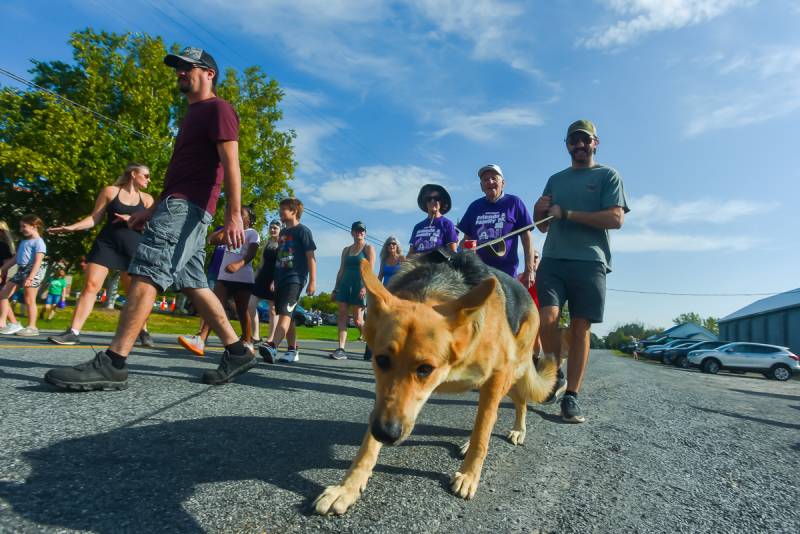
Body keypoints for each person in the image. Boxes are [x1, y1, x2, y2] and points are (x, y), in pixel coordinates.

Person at [44, 46, 255, 390]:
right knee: (195, 284)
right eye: (178, 68)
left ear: (209, 73)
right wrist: (150, 210)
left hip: (187, 209)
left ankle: (114, 362)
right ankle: (237, 350)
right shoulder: (193, 116)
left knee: (146, 270)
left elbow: (231, 164)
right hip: (178, 205)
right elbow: (179, 177)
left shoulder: (218, 109)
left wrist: (234, 215)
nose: (180, 73)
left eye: (188, 68)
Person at [533, 119, 629, 423]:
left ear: (595, 143)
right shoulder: (556, 179)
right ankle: (555, 375)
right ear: (567, 145)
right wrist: (538, 212)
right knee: (545, 321)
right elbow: (543, 226)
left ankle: (572, 396)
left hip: (590, 261)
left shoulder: (607, 175)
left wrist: (570, 214)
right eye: (573, 140)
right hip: (554, 259)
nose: (579, 145)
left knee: (579, 327)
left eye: (584, 140)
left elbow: (615, 219)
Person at [46, 163, 156, 346]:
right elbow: (94, 218)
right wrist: (71, 227)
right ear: (134, 174)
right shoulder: (110, 191)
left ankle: (142, 330)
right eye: (146, 175)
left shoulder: (147, 199)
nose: (149, 179)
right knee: (90, 286)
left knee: (133, 294)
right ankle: (72, 332)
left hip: (133, 248)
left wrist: (132, 220)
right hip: (107, 244)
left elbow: (152, 227)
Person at [177, 206, 260, 355]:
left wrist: (238, 264)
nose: (238, 216)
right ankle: (201, 340)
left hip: (243, 279)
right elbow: (211, 240)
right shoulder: (230, 231)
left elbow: (252, 253)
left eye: (242, 214)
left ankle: (248, 340)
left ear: (250, 220)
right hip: (224, 277)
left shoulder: (252, 233)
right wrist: (228, 226)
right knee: (214, 306)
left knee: (242, 311)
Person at [457, 164, 536, 287]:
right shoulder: (474, 207)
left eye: (494, 178)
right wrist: (465, 249)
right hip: (478, 275)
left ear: (503, 183)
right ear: (481, 186)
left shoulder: (514, 203)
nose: (490, 181)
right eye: (485, 179)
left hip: (507, 275)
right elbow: (465, 240)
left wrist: (529, 270)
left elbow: (527, 237)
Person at [258, 197, 316, 364]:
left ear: (294, 211)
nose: (280, 212)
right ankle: (292, 350)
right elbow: (279, 259)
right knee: (286, 314)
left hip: (295, 278)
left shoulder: (303, 231)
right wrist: (274, 280)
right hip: (281, 278)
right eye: (280, 209)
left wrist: (312, 281)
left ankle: (273, 345)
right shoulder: (283, 233)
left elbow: (311, 257)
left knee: (285, 312)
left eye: (284, 209)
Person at [330, 221, 375, 360]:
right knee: (342, 314)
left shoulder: (368, 248)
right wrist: (336, 287)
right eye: (356, 230)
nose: (359, 232)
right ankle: (341, 349)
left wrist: (364, 287)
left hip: (359, 284)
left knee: (357, 320)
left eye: (362, 230)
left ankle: (372, 343)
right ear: (352, 233)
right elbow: (341, 269)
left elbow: (370, 271)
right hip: (345, 283)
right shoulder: (346, 250)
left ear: (365, 233)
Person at [250, 219, 297, 353]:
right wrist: (254, 277)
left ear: (280, 229)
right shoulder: (267, 243)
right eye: (271, 227)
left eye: (275, 228)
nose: (272, 230)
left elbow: (284, 264)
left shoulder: (284, 243)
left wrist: (276, 280)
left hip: (276, 278)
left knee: (273, 310)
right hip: (262, 277)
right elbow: (261, 264)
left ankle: (270, 339)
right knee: (251, 305)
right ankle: (256, 335)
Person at [0, 215, 47, 336]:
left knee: (29, 299)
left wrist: (31, 277)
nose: (21, 229)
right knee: (3, 294)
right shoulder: (24, 242)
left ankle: (32, 327)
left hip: (33, 270)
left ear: (34, 226)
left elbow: (38, 261)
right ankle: (9, 323)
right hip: (21, 270)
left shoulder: (39, 242)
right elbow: (16, 258)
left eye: (24, 226)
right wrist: (3, 268)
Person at [408, 184, 458, 255]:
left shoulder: (447, 224)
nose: (432, 201)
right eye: (429, 199)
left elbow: (453, 252)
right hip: (418, 265)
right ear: (425, 203)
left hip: (438, 265)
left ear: (441, 201)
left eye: (436, 198)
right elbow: (411, 253)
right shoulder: (417, 227)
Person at [0, 220, 20, 329]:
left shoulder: (3, 246)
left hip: (0, 275)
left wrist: (1, 276)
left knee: (2, 298)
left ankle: (13, 323)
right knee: (2, 299)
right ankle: (14, 322)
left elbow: (6, 264)